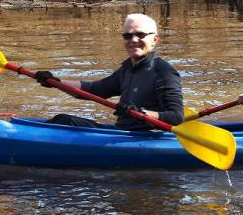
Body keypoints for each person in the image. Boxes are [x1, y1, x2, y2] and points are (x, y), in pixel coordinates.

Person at [33, 13, 184, 130]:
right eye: (128, 35)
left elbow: (176, 117)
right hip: (122, 131)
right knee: (63, 120)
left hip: (145, 137)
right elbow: (95, 90)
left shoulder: (164, 73)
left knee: (65, 122)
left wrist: (141, 113)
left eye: (140, 35)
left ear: (155, 39)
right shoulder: (127, 69)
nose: (133, 39)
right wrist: (55, 82)